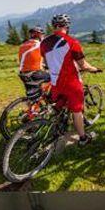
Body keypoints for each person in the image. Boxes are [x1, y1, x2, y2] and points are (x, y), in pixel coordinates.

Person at [39, 13, 98, 143]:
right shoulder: (72, 42)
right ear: (67, 26)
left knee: (59, 108)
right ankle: (83, 138)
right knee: (77, 111)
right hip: (71, 83)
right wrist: (94, 69)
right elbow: (83, 65)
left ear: (54, 26)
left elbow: (47, 62)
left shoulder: (44, 43)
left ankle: (57, 129)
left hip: (55, 82)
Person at [15, 25, 45, 90]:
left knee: (32, 92)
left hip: (23, 74)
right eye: (42, 34)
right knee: (54, 78)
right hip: (34, 73)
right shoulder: (39, 44)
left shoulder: (23, 45)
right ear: (39, 35)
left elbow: (29, 58)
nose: (43, 36)